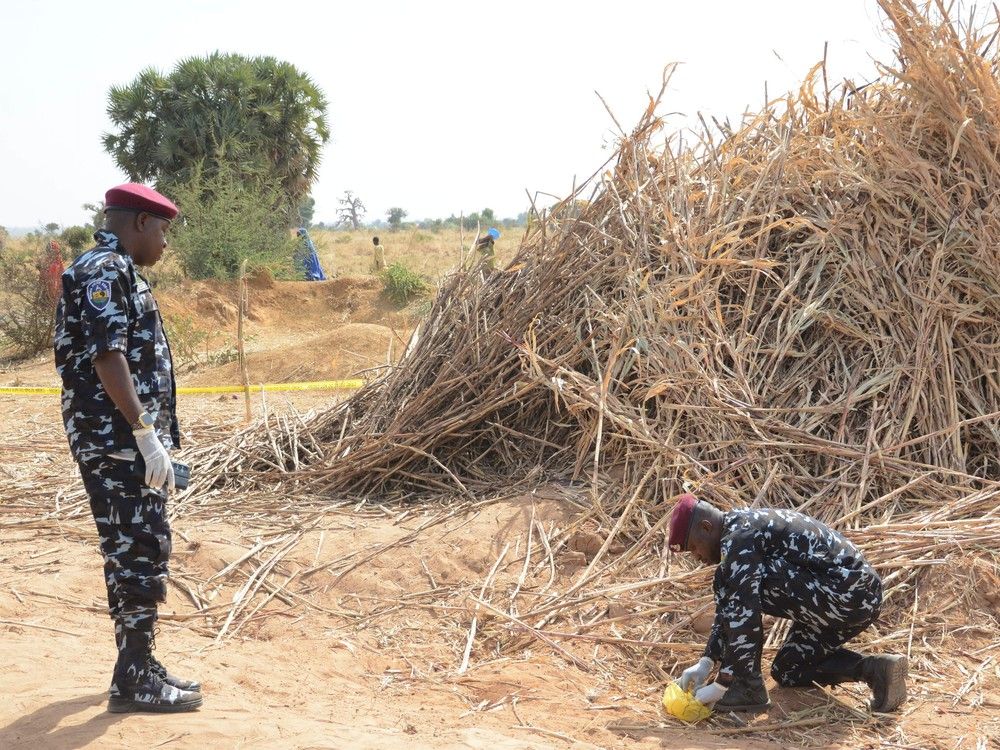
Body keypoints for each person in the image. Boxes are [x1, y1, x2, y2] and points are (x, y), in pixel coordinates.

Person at [54, 183, 202, 713]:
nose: (165, 242)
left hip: (120, 439)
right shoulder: (106, 271)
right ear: (140, 222)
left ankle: (136, 664)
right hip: (116, 440)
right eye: (162, 230)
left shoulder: (115, 269)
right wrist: (143, 432)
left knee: (131, 550)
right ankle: (135, 676)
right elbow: (107, 356)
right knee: (140, 549)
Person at [668, 494, 907, 714]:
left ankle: (746, 686)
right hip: (850, 600)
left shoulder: (739, 537)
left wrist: (724, 683)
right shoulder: (738, 530)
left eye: (694, 548)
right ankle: (875, 671)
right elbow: (728, 602)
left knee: (741, 587)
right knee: (789, 670)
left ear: (706, 527)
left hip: (849, 594)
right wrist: (707, 661)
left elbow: (742, 614)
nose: (697, 557)